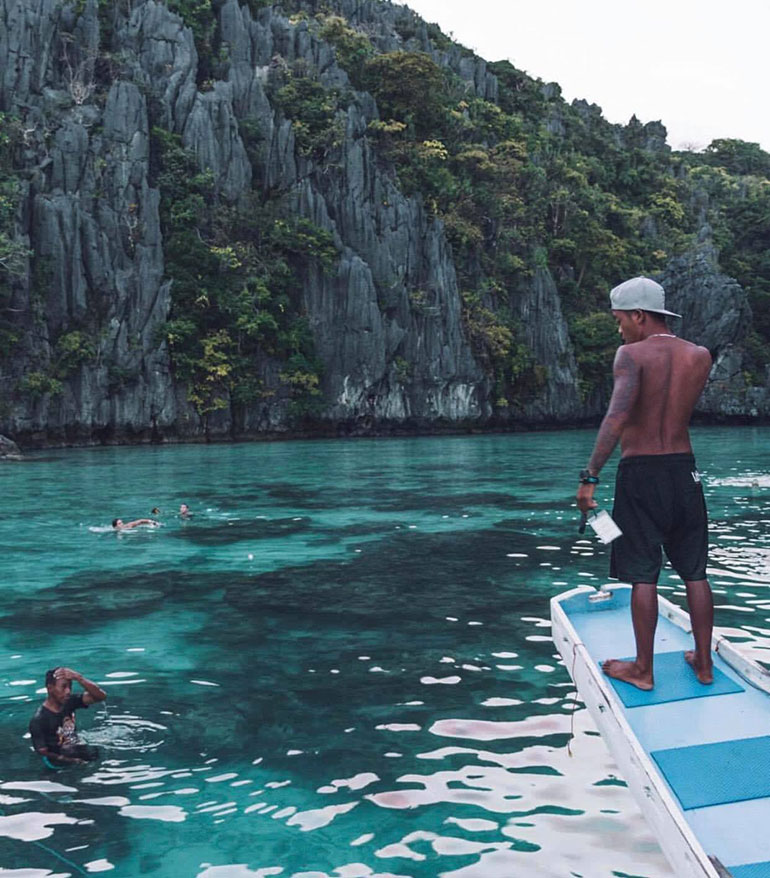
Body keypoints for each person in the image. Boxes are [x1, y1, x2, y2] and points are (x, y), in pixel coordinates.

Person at [576, 276, 714, 691]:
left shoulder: (630, 355)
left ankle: (644, 670)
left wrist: (589, 478)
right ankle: (704, 663)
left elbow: (617, 418)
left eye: (620, 320)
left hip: (641, 473)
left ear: (638, 315)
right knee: (695, 572)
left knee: (644, 575)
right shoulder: (700, 355)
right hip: (685, 471)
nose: (619, 329)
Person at [29, 667, 107, 767]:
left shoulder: (69, 702)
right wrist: (72, 760)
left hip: (75, 749)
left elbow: (100, 696)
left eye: (70, 686)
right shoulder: (39, 719)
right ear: (50, 688)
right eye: (64, 687)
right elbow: (42, 751)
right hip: (57, 762)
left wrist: (79, 678)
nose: (68, 691)